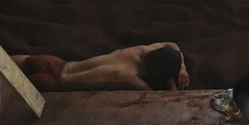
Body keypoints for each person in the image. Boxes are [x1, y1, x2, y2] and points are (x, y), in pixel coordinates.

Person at [12, 43, 188, 92]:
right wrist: (173, 76)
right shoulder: (132, 80)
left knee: (3, 61)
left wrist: (182, 66)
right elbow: (165, 100)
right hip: (54, 82)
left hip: (56, 63)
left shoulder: (137, 50)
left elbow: (171, 45)